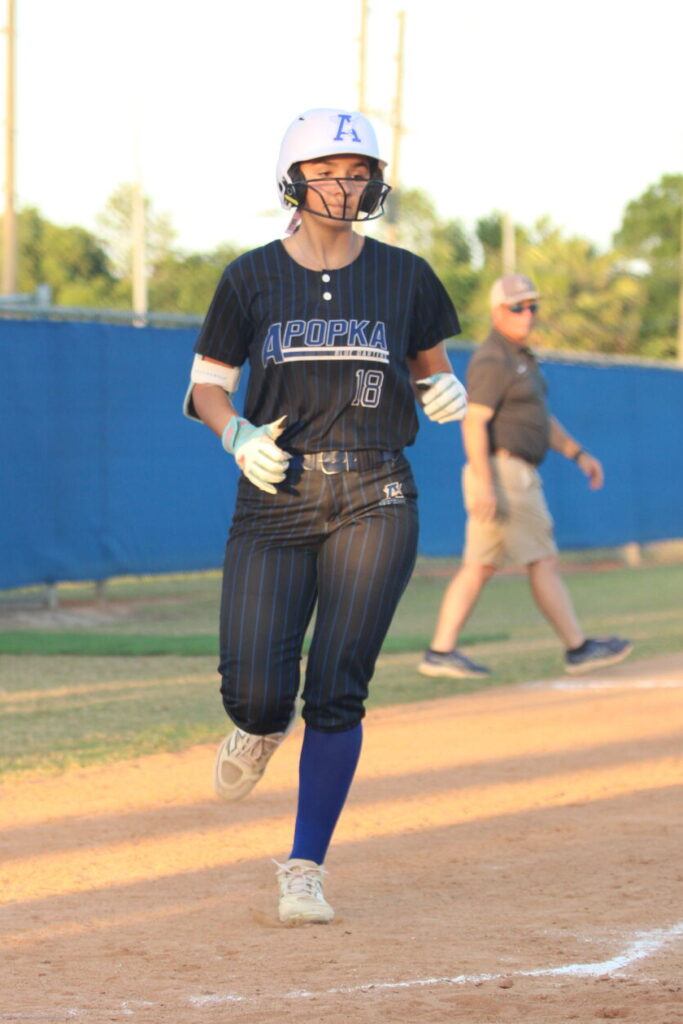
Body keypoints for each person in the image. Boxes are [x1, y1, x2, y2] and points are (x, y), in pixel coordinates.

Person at [183, 108, 467, 924]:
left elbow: (430, 373)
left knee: (338, 687)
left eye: (359, 172)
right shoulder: (248, 277)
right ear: (294, 179)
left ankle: (304, 866)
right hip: (275, 491)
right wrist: (233, 433)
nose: (346, 186)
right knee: (258, 689)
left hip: (376, 491)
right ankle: (255, 728)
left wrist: (444, 391)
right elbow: (207, 383)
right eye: (329, 171)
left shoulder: (405, 275)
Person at [418, 272, 633, 681]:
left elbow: (540, 420)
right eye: (517, 306)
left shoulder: (522, 358)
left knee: (478, 567)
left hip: (506, 472)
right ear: (498, 312)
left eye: (532, 305)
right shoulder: (493, 358)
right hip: (504, 473)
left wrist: (578, 453)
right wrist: (484, 481)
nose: (527, 313)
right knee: (544, 560)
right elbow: (473, 422)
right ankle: (577, 647)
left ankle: (440, 650)